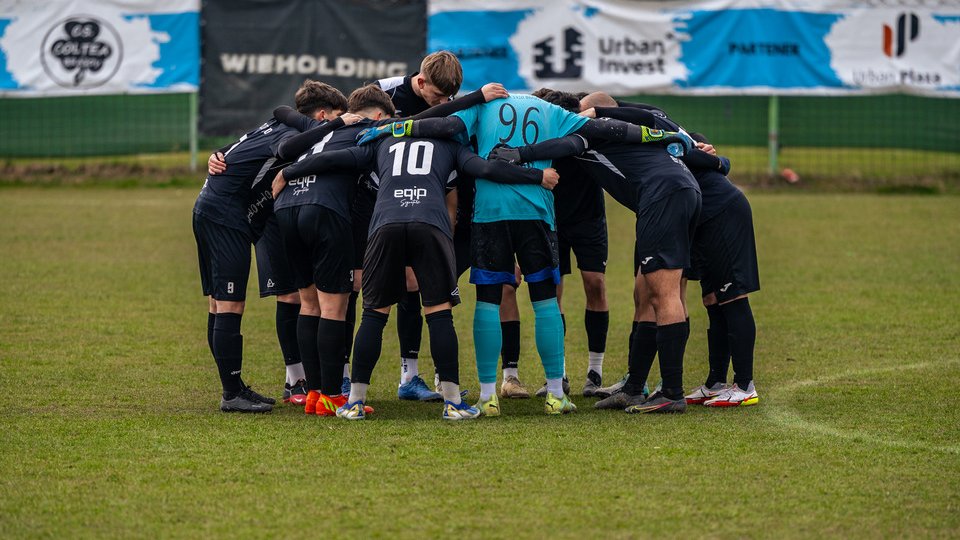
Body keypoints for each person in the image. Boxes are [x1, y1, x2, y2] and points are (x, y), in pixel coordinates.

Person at [357, 92, 681, 415]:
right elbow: (606, 129)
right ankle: (556, 394)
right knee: (544, 302)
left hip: (490, 214)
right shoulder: (551, 111)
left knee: (487, 301)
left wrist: (395, 128)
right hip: (536, 213)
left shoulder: (482, 107)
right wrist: (660, 135)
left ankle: (487, 397)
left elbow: (443, 124)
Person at [273, 122, 558, 420]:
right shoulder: (451, 146)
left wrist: (288, 171)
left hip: (385, 225)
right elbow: (486, 170)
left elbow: (333, 158)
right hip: (429, 224)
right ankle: (452, 403)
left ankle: (354, 402)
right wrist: (537, 176)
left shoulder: (381, 142)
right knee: (438, 312)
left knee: (374, 313)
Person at [486, 90, 699, 414]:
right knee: (646, 294)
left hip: (662, 196)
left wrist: (516, 154)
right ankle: (632, 388)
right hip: (679, 191)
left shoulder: (596, 127)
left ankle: (671, 391)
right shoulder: (635, 122)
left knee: (663, 295)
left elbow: (565, 144)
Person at [192, 79, 349, 413]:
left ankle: (233, 388)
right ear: (322, 115)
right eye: (335, 116)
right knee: (229, 304)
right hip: (225, 215)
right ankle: (232, 392)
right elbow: (286, 151)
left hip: (211, 208)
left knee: (218, 303)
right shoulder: (289, 134)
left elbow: (236, 152)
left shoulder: (277, 122)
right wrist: (338, 125)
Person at [271, 85, 390, 417]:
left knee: (308, 305)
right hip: (323, 209)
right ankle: (333, 395)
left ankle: (313, 394)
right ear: (380, 115)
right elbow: (351, 157)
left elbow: (284, 131)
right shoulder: (373, 129)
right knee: (333, 309)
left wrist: (290, 171)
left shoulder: (323, 128)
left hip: (286, 208)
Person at [375, 51, 464, 399]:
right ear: (421, 81)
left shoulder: (452, 99)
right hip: (387, 202)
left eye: (449, 98)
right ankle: (390, 377)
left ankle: (427, 377)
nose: (444, 104)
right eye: (438, 97)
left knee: (427, 288)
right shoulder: (385, 91)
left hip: (435, 199)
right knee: (387, 291)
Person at [682, 132, 761, 407]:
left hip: (724, 213)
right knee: (712, 300)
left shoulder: (653, 137)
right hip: (703, 220)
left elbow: (705, 155)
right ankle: (715, 382)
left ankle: (744, 385)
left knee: (733, 296)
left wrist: (717, 161)